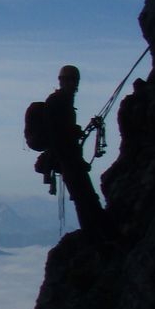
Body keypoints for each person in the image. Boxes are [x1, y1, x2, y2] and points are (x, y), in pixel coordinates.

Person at [43, 65, 108, 242]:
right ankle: (95, 235)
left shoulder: (62, 101)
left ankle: (94, 233)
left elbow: (61, 132)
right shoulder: (58, 102)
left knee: (84, 197)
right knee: (85, 198)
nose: (73, 84)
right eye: (70, 80)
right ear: (62, 81)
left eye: (75, 80)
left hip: (67, 158)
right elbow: (57, 134)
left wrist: (75, 133)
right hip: (67, 159)